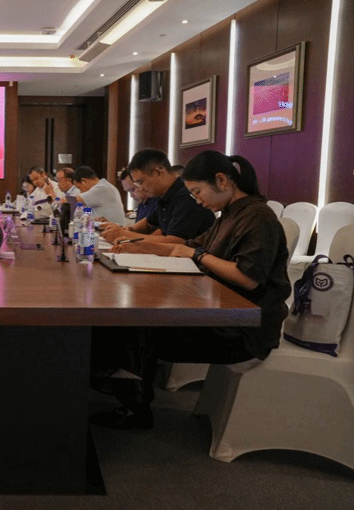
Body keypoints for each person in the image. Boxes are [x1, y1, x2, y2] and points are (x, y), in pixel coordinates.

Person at [90, 151, 291, 429]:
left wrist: (198, 255)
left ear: (222, 181)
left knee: (138, 323)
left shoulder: (258, 217)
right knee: (133, 320)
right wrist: (135, 245)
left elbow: (247, 278)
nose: (197, 200)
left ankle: (134, 406)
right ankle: (122, 389)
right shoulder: (229, 214)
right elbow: (185, 246)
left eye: (197, 192)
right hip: (222, 310)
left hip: (245, 328)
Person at [99, 148, 215, 248]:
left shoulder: (185, 196)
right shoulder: (164, 196)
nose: (140, 188)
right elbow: (148, 223)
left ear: (158, 172)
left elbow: (176, 241)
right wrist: (126, 230)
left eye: (140, 182)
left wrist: (124, 235)